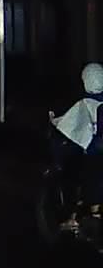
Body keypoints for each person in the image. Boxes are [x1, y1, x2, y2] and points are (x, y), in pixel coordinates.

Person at [50, 63, 103, 228]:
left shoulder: (84, 104)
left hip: (95, 152)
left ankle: (79, 218)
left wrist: (55, 121)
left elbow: (70, 125)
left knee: (86, 180)